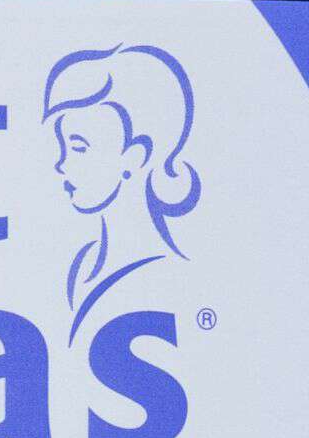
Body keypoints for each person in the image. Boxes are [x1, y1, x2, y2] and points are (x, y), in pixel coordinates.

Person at [42, 43, 199, 340]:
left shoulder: (169, 276)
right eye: (63, 147)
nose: (61, 163)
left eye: (78, 148)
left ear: (135, 157)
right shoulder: (84, 263)